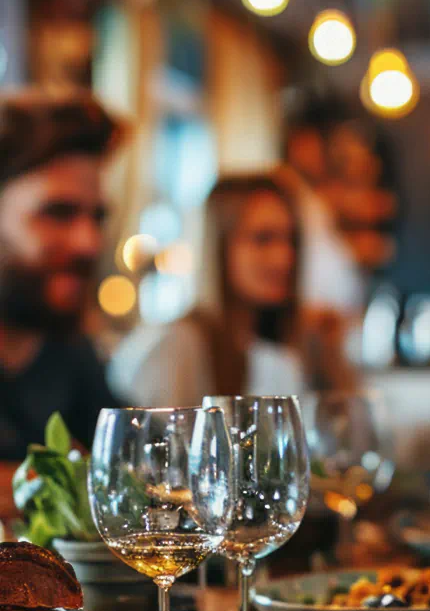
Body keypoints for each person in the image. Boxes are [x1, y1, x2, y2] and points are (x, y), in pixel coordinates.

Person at [110, 172, 356, 406]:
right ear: (218, 246)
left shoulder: (294, 342)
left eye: (290, 240)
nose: (284, 258)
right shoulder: (178, 345)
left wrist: (331, 356)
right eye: (263, 239)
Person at [0, 90, 123, 518]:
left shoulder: (71, 353)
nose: (88, 242)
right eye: (58, 213)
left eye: (97, 218)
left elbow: (130, 472)